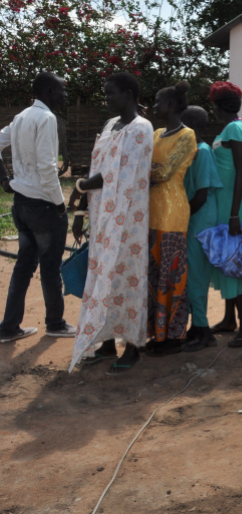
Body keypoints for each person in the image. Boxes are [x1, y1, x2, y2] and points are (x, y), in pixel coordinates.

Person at [68, 72, 154, 373]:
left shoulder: (141, 129)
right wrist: (81, 210)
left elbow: (117, 176)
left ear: (129, 94)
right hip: (103, 217)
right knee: (102, 279)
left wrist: (78, 187)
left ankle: (132, 347)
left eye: (110, 94)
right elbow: (99, 166)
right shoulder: (109, 126)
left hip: (129, 220)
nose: (106, 100)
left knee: (127, 278)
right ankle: (105, 341)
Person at [0, 72, 77, 344]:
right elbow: (47, 168)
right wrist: (59, 204)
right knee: (49, 266)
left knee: (23, 265)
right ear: (48, 91)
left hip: (20, 205)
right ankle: (55, 323)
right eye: (61, 90)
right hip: (43, 206)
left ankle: (8, 327)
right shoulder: (46, 118)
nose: (65, 95)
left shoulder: (21, 117)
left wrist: (5, 180)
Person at [143, 82, 198, 356]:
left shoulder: (187, 136)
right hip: (152, 212)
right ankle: (157, 333)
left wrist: (143, 170)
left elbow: (164, 173)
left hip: (173, 214)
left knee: (172, 275)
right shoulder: (154, 134)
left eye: (158, 101)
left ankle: (174, 337)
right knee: (154, 276)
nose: (154, 106)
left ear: (173, 106)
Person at [209, 81, 242, 347]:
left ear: (216, 105)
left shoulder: (235, 128)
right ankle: (228, 319)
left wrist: (235, 213)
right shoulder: (232, 128)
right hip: (225, 203)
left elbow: (241, 172)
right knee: (227, 262)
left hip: (232, 206)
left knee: (234, 263)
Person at [179, 106, 223, 352]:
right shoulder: (189, 151)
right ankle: (196, 327)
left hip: (200, 220)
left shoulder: (202, 151)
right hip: (193, 218)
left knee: (196, 276)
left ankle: (204, 331)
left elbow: (202, 194)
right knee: (189, 274)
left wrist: (182, 217)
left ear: (193, 124)